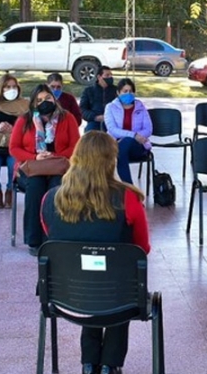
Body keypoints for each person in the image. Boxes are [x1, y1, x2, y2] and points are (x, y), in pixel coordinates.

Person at [40, 131, 150, 374]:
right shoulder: (128, 198)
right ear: (111, 160)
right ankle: (110, 365)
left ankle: (89, 363)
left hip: (65, 294)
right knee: (119, 276)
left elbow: (52, 237)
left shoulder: (50, 199)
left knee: (88, 273)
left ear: (77, 157)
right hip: (118, 295)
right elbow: (142, 248)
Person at [9, 83, 80, 255]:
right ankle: (34, 241)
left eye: (48, 98)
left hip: (59, 167)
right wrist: (35, 157)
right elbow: (14, 148)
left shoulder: (67, 117)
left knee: (56, 189)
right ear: (34, 103)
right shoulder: (24, 120)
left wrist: (55, 155)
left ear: (54, 98)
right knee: (35, 187)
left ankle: (53, 238)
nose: (44, 102)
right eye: (39, 100)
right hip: (31, 168)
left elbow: (76, 146)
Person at [0, 74, 29, 209]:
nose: (11, 89)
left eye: (14, 86)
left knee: (14, 163)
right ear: (0, 89)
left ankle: (10, 190)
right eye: (7, 87)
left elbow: (31, 127)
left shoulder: (25, 106)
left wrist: (15, 129)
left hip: (16, 146)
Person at [103, 78, 152, 185]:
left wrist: (136, 138)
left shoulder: (140, 106)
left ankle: (129, 188)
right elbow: (112, 130)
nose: (128, 94)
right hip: (115, 145)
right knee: (123, 145)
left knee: (126, 143)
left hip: (137, 146)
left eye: (131, 91)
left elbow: (148, 129)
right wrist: (133, 135)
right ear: (118, 93)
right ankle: (130, 188)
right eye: (125, 91)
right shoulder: (110, 107)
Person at [79, 66, 117, 132]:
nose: (110, 77)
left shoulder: (116, 91)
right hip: (94, 122)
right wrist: (95, 117)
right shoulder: (88, 91)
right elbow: (82, 110)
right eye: (107, 75)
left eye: (111, 75)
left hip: (112, 122)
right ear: (99, 77)